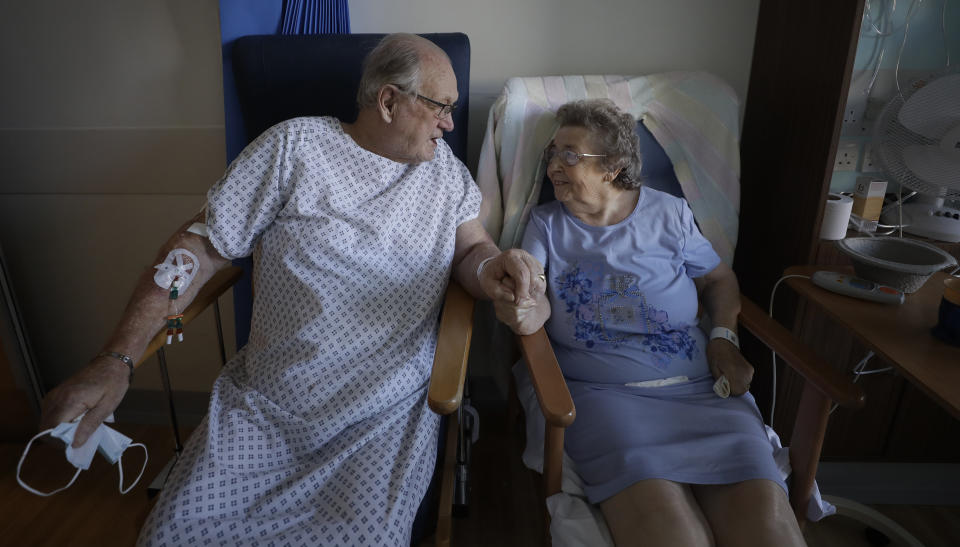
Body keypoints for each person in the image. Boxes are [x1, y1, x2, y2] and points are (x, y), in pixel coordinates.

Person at [38, 33, 542, 546]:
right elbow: (197, 250)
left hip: (379, 417)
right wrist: (116, 358)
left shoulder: (444, 175)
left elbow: (470, 252)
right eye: (440, 107)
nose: (450, 123)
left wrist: (495, 268)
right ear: (389, 101)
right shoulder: (294, 148)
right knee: (170, 536)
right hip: (267, 407)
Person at [495, 99, 806, 547]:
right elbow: (537, 297)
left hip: (702, 393)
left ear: (614, 166)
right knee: (675, 536)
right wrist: (524, 309)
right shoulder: (547, 226)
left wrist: (722, 338)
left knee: (770, 531)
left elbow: (718, 279)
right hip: (607, 399)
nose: (553, 167)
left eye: (569, 155)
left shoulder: (671, 215)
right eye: (551, 153)